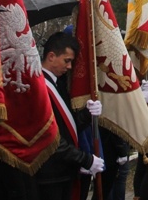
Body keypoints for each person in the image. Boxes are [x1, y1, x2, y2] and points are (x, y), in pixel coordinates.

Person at [36, 32, 104, 200]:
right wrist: (85, 159)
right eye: (67, 61)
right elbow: (50, 138)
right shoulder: (39, 88)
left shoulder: (58, 83)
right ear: (51, 56)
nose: (69, 67)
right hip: (49, 175)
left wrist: (88, 114)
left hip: (64, 170)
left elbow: (68, 126)